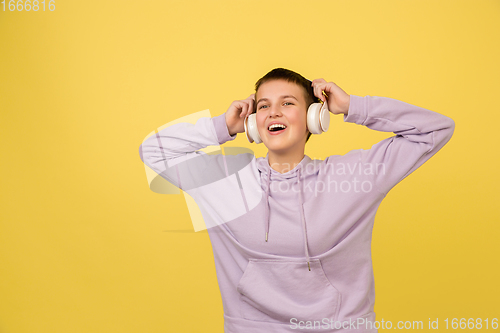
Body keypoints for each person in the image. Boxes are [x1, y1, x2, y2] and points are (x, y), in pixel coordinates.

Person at [139, 68, 455, 332]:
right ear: (253, 122)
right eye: (263, 106)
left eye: (287, 103)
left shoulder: (350, 177)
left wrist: (352, 106)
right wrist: (224, 125)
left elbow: (435, 129)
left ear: (314, 117)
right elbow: (152, 150)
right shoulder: (227, 180)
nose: (273, 112)